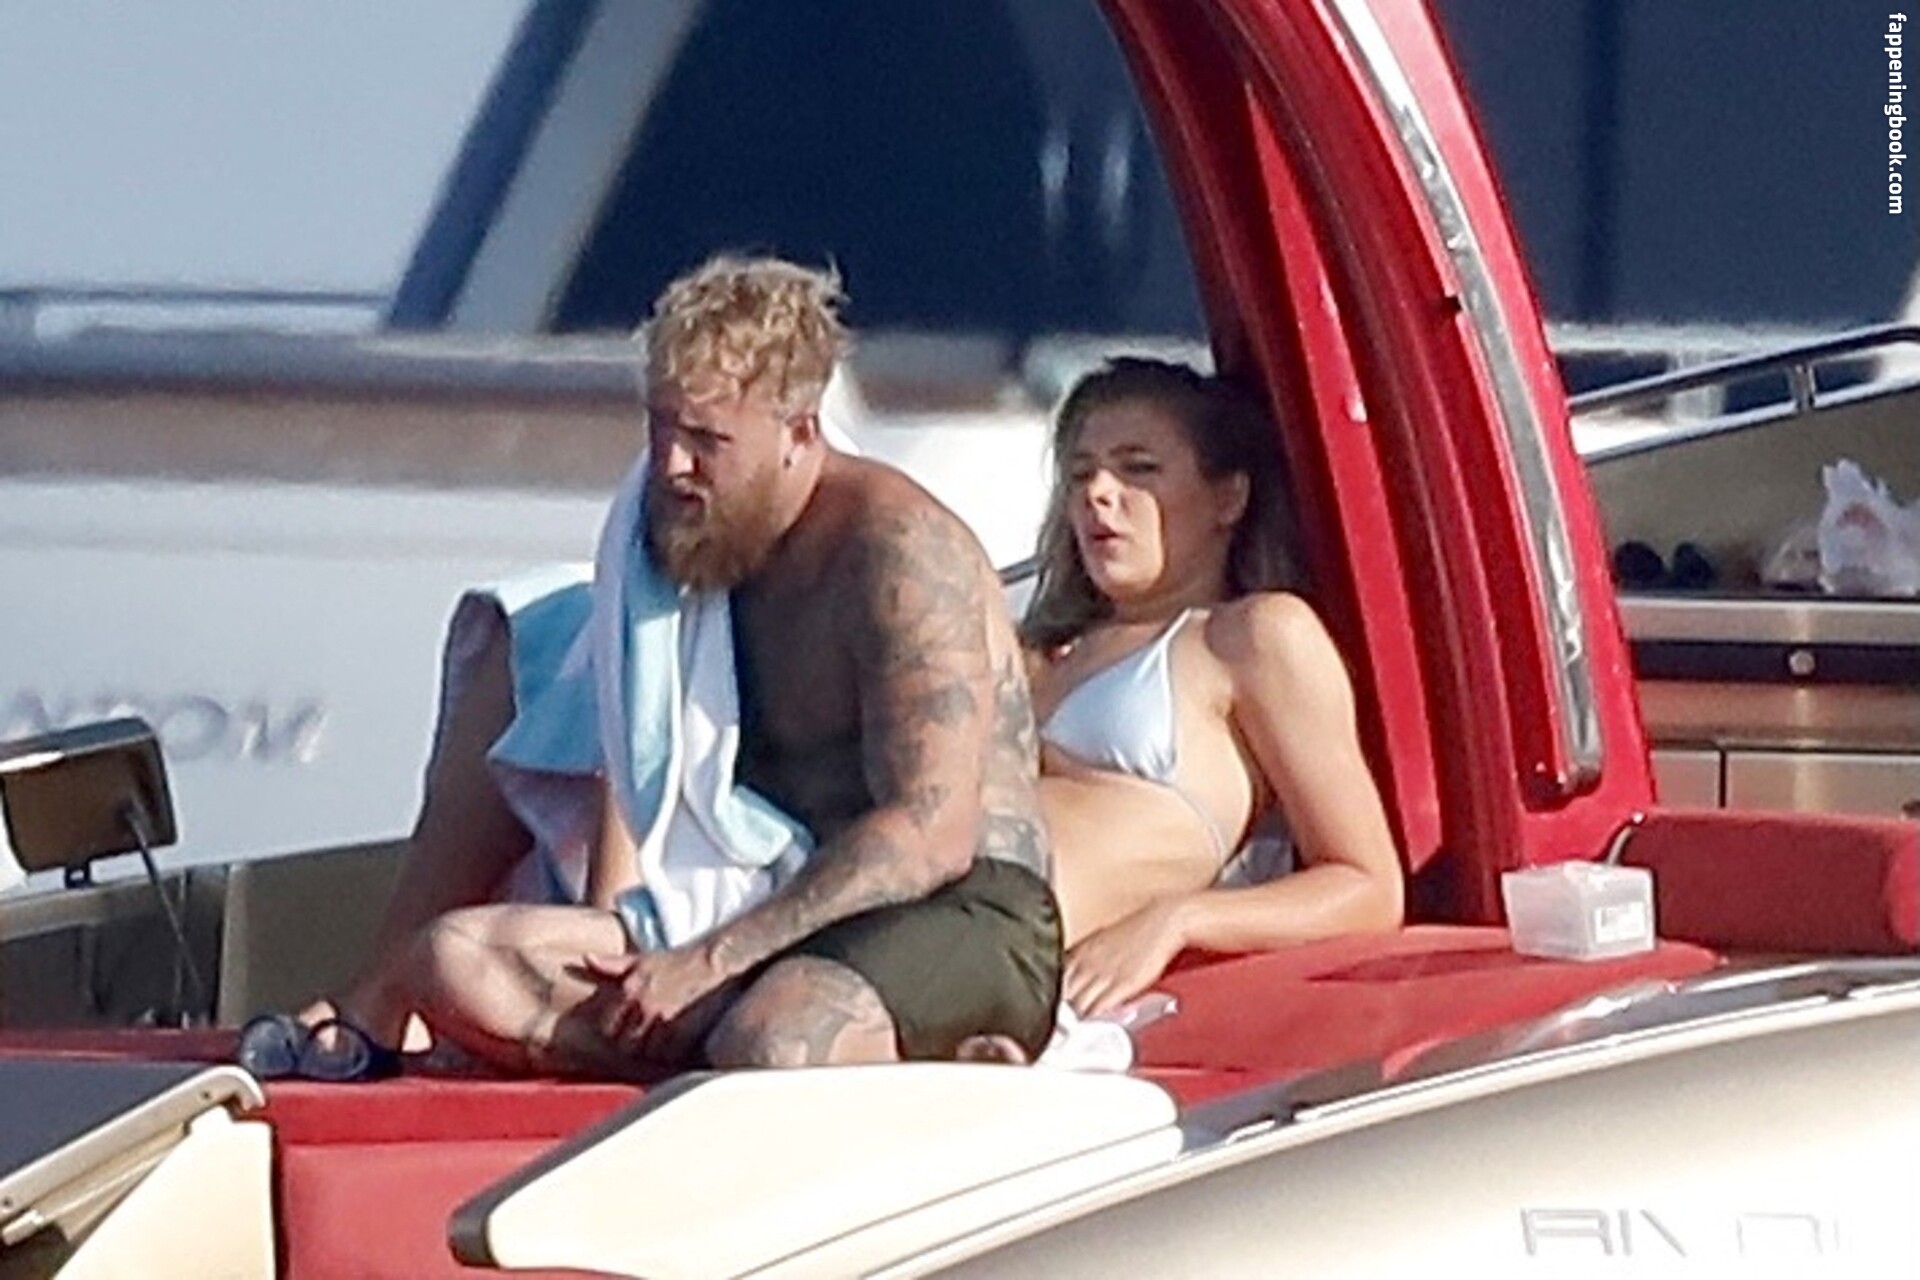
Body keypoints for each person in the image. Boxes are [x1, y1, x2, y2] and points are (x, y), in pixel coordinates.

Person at [245, 256, 1058, 1080]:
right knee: (455, 959)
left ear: (799, 433)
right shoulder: (693, 543)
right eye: (661, 428)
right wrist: (693, 959)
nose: (671, 466)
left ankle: (852, 1054)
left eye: (707, 441)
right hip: (772, 905)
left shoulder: (900, 553)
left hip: (958, 909)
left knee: (777, 1039)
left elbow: (932, 836)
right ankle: (703, 1044)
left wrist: (706, 963)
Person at [1023, 358, 1402, 1019]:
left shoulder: (1251, 636)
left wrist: (1179, 920)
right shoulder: (1036, 651)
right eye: (1080, 474)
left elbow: (1367, 887)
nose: (1098, 494)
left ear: (1228, 498)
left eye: (1138, 468)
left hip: (1038, 972)